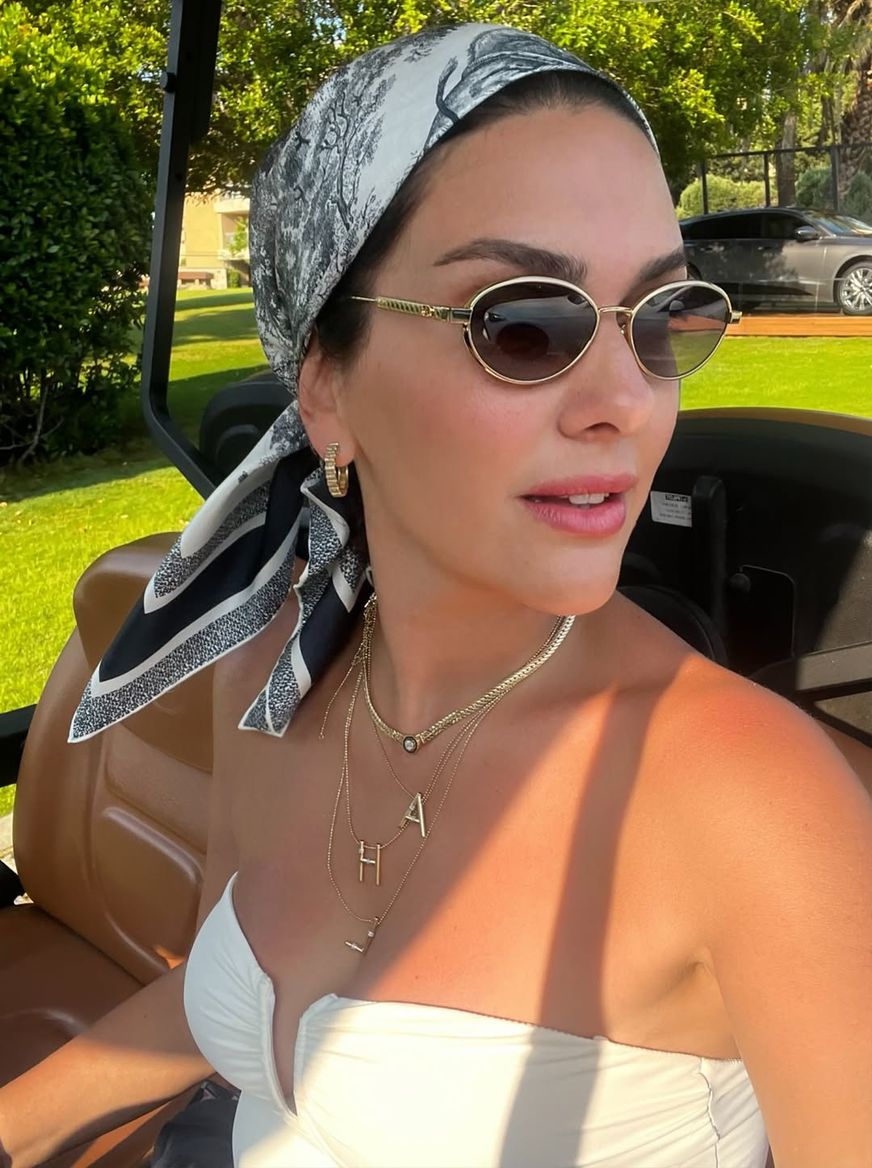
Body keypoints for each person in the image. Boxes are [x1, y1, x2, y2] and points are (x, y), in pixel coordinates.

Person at [2, 22, 870, 1168]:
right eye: (524, 324)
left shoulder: (752, 802)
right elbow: (235, 990)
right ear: (326, 388)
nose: (625, 402)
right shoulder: (271, 673)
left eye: (661, 318)